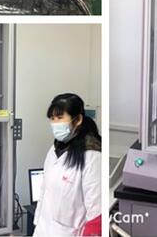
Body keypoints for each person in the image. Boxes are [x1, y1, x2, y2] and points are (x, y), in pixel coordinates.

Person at [33, 93, 101, 236]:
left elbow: (96, 212)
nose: (55, 123)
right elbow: (44, 191)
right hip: (43, 230)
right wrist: (37, 224)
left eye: (60, 117)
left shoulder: (92, 156)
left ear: (78, 120)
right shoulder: (54, 149)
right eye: (52, 119)